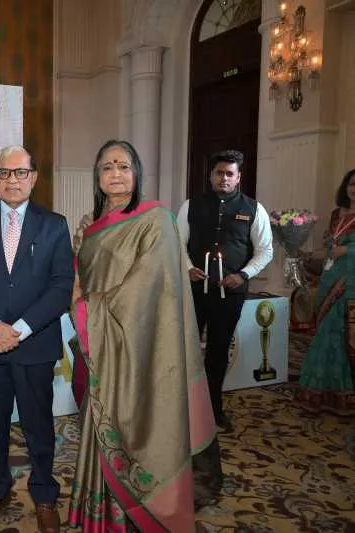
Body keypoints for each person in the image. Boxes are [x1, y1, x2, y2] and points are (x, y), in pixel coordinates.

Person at [68, 140, 220, 532]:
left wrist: (88, 311)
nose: (115, 173)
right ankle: (103, 516)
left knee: (142, 426)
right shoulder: (91, 227)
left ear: (137, 173)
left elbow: (152, 285)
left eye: (123, 165)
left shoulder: (157, 220)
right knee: (100, 419)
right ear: (97, 178)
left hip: (145, 346)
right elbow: (80, 278)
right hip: (102, 349)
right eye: (106, 167)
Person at [0, 145, 74, 533]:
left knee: (39, 424)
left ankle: (43, 494)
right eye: (5, 173)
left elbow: (60, 287)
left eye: (20, 173)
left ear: (34, 177)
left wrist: (19, 328)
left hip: (34, 343)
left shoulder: (54, 225)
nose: (12, 180)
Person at [177, 149, 273, 433]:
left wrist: (243, 275)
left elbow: (265, 250)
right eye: (219, 173)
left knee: (218, 351)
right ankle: (184, 409)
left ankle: (214, 409)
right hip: (194, 290)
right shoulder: (191, 206)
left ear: (238, 177)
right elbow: (177, 242)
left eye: (229, 174)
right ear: (211, 175)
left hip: (230, 294)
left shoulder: (254, 209)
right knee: (187, 350)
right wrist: (187, 267)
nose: (224, 178)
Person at [296, 168, 355, 415]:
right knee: (325, 331)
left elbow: (342, 249)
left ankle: (336, 393)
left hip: (350, 279)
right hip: (330, 277)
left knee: (336, 334)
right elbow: (328, 248)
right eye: (352, 184)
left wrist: (349, 251)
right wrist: (310, 255)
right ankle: (327, 394)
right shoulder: (336, 215)